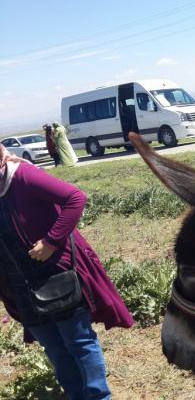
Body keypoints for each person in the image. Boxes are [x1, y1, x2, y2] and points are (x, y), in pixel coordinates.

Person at [0, 144, 134, 399]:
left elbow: (75, 197)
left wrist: (51, 241)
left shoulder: (22, 176)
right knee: (54, 347)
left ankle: (98, 397)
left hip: (55, 274)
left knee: (78, 342)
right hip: (19, 283)